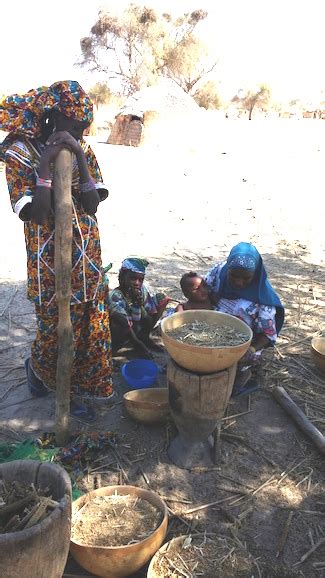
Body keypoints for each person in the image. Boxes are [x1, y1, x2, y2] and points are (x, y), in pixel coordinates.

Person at [0, 80, 113, 421]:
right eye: (74, 126)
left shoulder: (83, 148)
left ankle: (80, 388)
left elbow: (92, 205)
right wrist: (47, 164)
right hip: (48, 257)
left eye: (82, 128)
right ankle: (44, 376)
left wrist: (77, 154)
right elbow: (37, 213)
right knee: (55, 324)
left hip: (86, 253)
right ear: (52, 118)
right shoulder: (19, 153)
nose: (79, 132)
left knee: (90, 321)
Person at [205, 242, 285, 395]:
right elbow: (204, 287)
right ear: (228, 268)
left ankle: (242, 379)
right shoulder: (220, 271)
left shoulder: (263, 299)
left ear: (255, 274)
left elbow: (267, 335)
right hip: (211, 326)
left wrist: (251, 348)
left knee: (238, 360)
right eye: (233, 275)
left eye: (246, 278)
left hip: (242, 339)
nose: (238, 282)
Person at [108, 257, 171, 358]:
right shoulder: (115, 295)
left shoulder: (142, 290)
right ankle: (129, 345)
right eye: (133, 278)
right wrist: (139, 345)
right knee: (119, 320)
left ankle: (144, 337)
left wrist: (140, 305)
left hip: (137, 327)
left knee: (162, 299)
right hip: (123, 333)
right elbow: (125, 324)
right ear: (123, 276)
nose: (137, 283)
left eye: (140, 280)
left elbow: (148, 320)